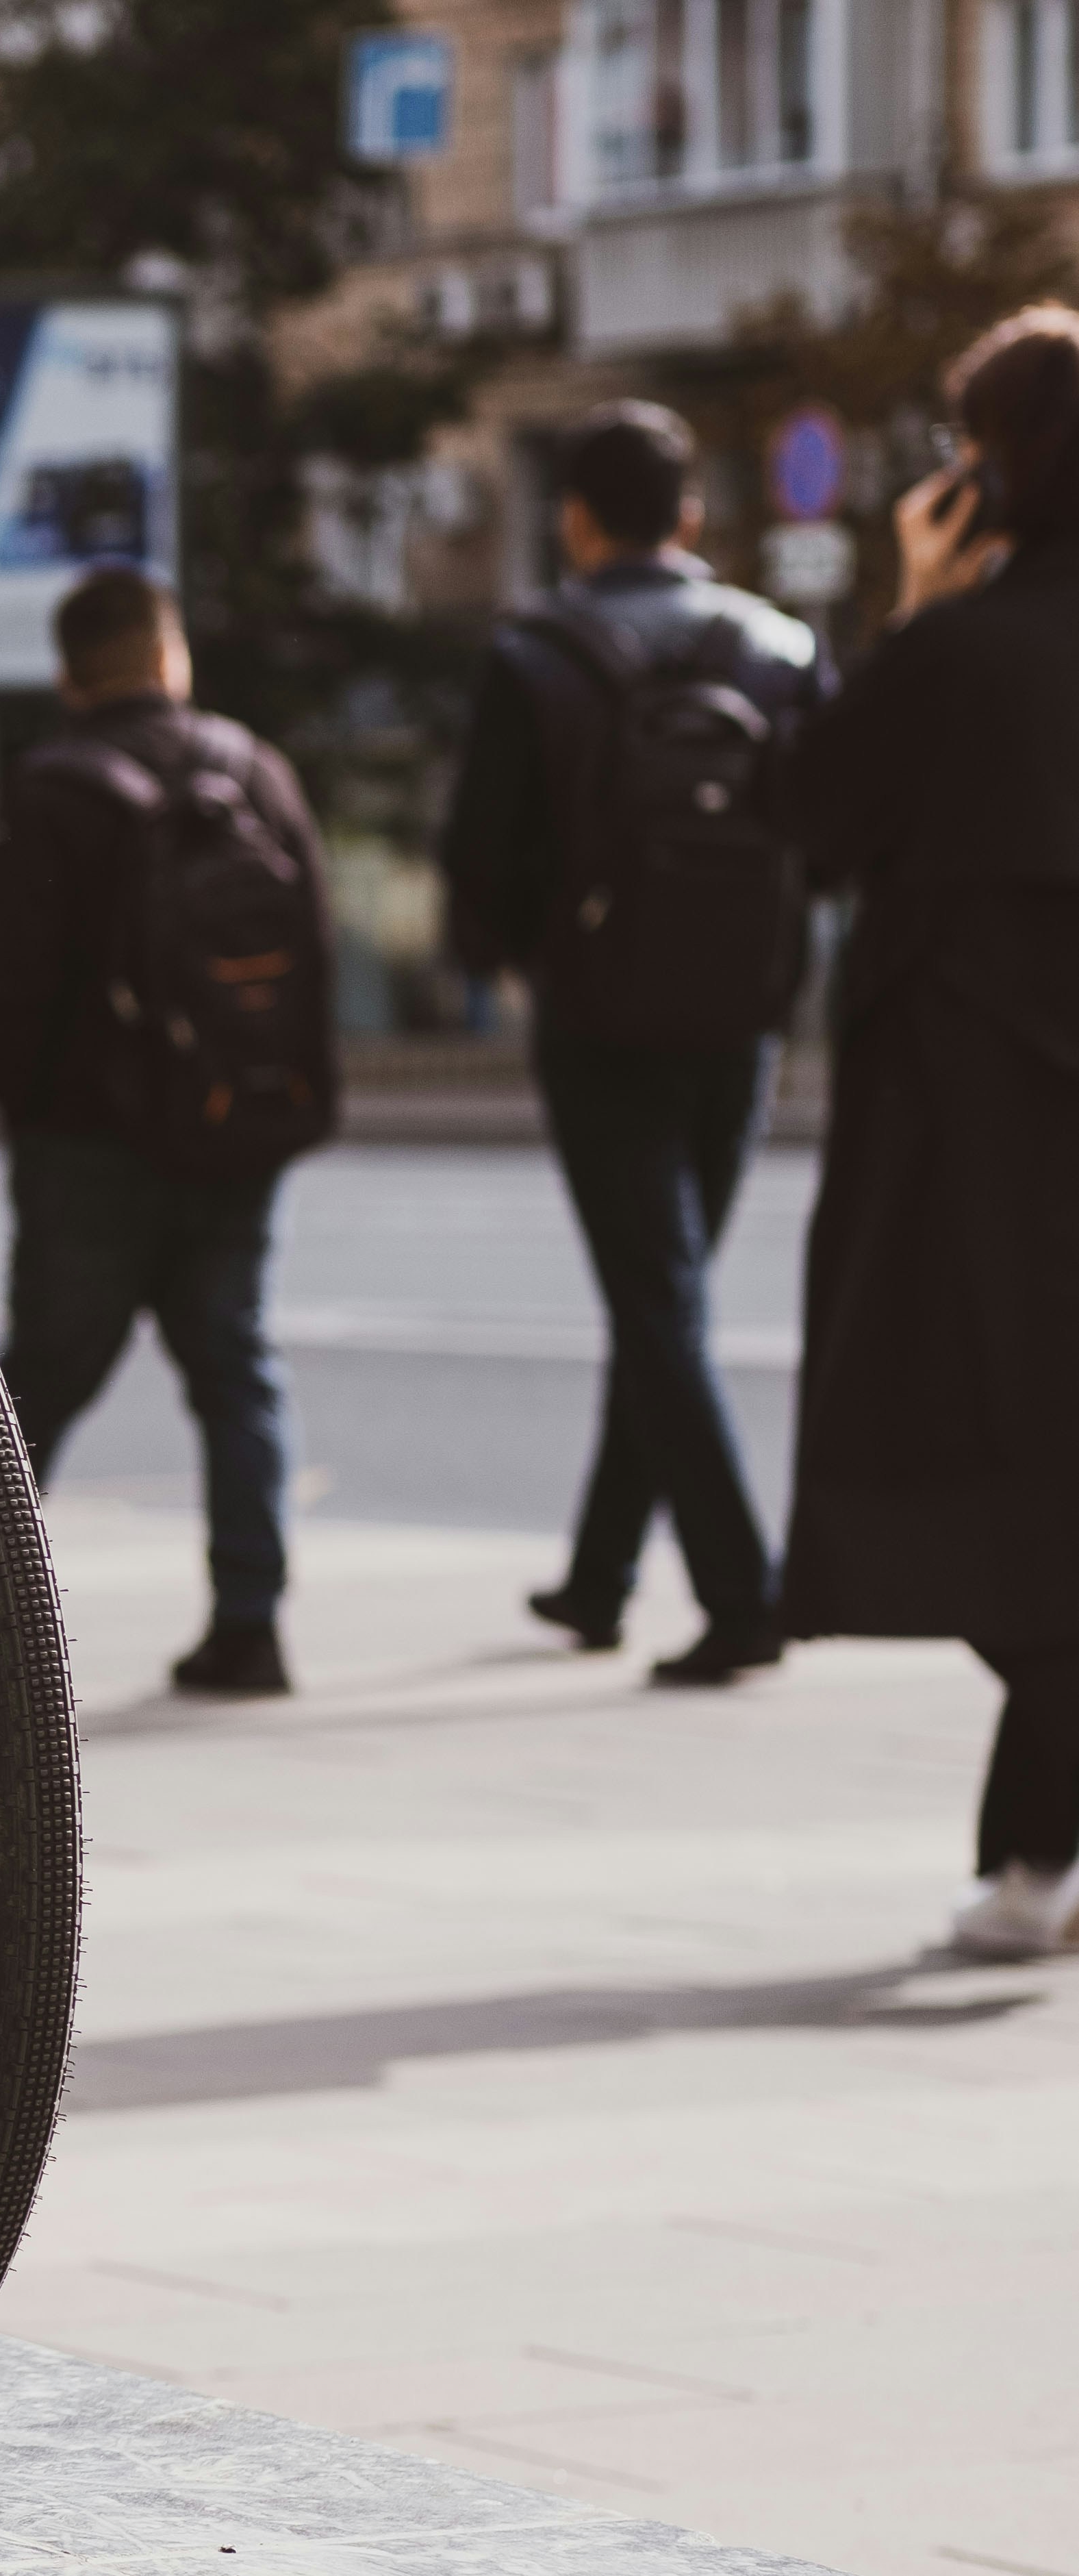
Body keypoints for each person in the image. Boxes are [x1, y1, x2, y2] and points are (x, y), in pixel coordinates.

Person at [0, 566, 336, 1696]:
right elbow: (312, 947)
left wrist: (34, 1117)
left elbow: (10, 985)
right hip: (234, 1131)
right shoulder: (254, 771)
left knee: (34, 1379)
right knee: (235, 1371)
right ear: (169, 656)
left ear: (69, 673)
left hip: (90, 1142)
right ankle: (249, 1621)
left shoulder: (55, 792)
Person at [438, 401, 829, 1687]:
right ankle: (600, 1575)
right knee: (660, 1291)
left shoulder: (536, 651)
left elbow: (481, 854)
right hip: (741, 1016)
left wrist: (495, 956)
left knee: (654, 1298)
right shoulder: (777, 646)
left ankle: (741, 1595)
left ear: (576, 518)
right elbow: (824, 827)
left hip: (600, 1014)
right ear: (695, 513)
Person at [786, 307, 1079, 1958]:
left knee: (976, 1487)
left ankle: (1037, 1864)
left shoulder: (964, 654)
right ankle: (1035, 1861)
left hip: (982, 1142)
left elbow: (810, 808)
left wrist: (908, 605)